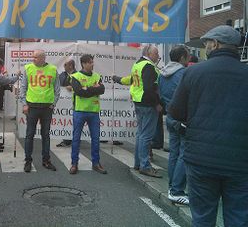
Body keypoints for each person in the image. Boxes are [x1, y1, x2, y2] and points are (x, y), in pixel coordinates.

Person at [169, 25, 248, 226]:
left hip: (201, 159)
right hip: (240, 162)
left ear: (216, 44)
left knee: (203, 217)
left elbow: (176, 112)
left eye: (207, 44)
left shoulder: (193, 73)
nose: (206, 47)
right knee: (239, 217)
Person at [114, 45, 162, 178]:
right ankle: (145, 166)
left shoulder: (137, 64)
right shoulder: (148, 66)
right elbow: (149, 88)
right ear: (148, 53)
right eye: (156, 53)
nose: (158, 56)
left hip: (139, 102)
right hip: (148, 104)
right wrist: (157, 103)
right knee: (146, 135)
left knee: (141, 134)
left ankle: (138, 163)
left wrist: (117, 79)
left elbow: (131, 81)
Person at [159, 45, 190, 205]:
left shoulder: (162, 74)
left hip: (170, 116)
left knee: (174, 153)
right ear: (182, 57)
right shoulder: (184, 73)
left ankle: (172, 186)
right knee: (184, 153)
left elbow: (160, 95)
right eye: (188, 55)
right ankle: (177, 190)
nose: (190, 57)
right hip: (183, 118)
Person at [20, 49, 60, 172]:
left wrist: (53, 103)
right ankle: (28, 160)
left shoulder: (53, 69)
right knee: (29, 134)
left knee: (45, 135)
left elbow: (57, 88)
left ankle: (46, 160)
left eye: (36, 57)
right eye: (33, 57)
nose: (33, 59)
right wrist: (24, 104)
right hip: (32, 106)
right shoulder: (28, 68)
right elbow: (23, 87)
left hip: (47, 107)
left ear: (43, 58)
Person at [69, 55, 107, 175]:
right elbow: (80, 92)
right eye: (90, 63)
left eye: (92, 62)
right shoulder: (75, 77)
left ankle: (96, 163)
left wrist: (87, 89)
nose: (92, 64)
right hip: (79, 111)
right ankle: (74, 163)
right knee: (76, 138)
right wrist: (93, 88)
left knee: (95, 139)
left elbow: (102, 90)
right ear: (84, 64)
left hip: (94, 111)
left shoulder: (97, 76)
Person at [56, 59, 76, 147]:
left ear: (70, 66)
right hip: (63, 103)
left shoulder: (78, 75)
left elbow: (83, 86)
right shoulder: (62, 75)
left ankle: (73, 139)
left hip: (75, 102)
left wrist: (73, 87)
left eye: (65, 65)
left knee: (73, 121)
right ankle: (66, 139)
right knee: (65, 120)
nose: (64, 66)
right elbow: (57, 85)